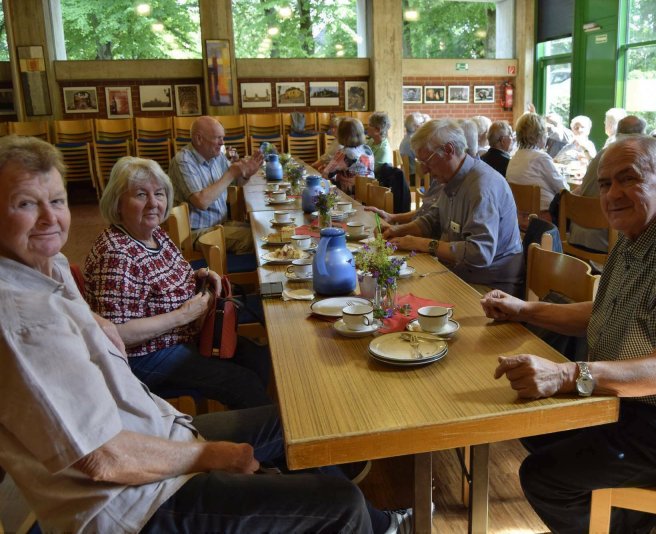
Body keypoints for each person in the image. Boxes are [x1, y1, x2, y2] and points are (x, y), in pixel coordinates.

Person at [0, 135, 414, 534]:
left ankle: (356, 513)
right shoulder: (25, 321)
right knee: (340, 505)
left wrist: (100, 318)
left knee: (292, 421)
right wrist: (209, 455)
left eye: (57, 201)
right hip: (135, 504)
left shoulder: (49, 266)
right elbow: (104, 459)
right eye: (25, 204)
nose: (49, 218)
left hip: (160, 433)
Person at [481, 135, 656, 534]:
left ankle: (642, 524)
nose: (612, 194)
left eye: (628, 179)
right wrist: (525, 309)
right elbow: (605, 312)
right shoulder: (636, 232)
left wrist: (565, 374)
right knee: (533, 429)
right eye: (605, 183)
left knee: (545, 476)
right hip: (639, 401)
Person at [84, 156, 270, 408]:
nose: (153, 203)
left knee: (257, 357)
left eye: (159, 194)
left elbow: (164, 278)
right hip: (145, 356)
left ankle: (262, 419)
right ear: (117, 204)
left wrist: (199, 276)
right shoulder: (116, 255)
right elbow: (117, 334)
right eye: (141, 195)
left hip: (183, 336)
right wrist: (182, 316)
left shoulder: (154, 233)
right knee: (242, 382)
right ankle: (258, 429)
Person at [384, 119, 524, 297]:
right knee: (395, 290)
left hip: (491, 287)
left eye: (426, 161)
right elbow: (433, 219)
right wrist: (397, 230)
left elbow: (479, 254)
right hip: (461, 273)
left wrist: (421, 243)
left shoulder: (482, 187)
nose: (424, 170)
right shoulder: (451, 177)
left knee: (403, 296)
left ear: (449, 150)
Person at [169, 116, 263, 254]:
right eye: (218, 138)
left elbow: (235, 183)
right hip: (196, 233)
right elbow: (201, 202)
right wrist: (230, 173)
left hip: (221, 225)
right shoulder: (183, 161)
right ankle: (235, 267)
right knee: (258, 239)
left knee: (262, 228)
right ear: (199, 139)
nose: (222, 142)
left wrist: (246, 174)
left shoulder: (217, 157)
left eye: (223, 138)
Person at [568, 115, 647, 253]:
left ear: (617, 133)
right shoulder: (634, 157)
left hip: (577, 234)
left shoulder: (602, 154)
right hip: (606, 242)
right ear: (642, 135)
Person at [506, 112, 569, 221]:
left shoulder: (514, 157)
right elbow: (563, 189)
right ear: (538, 135)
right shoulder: (541, 157)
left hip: (519, 216)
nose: (547, 135)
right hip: (543, 218)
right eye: (545, 132)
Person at [322, 117, 375, 193]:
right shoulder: (367, 149)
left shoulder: (344, 153)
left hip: (349, 194)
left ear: (341, 135)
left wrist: (336, 176)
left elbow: (326, 174)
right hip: (367, 192)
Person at [399, 112, 424, 181]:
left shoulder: (405, 139)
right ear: (416, 126)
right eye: (422, 123)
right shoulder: (414, 141)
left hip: (406, 176)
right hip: (415, 178)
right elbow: (423, 160)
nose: (423, 125)